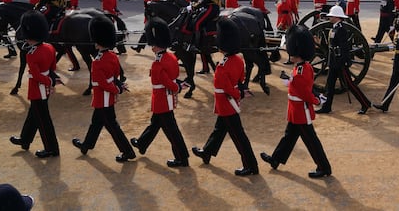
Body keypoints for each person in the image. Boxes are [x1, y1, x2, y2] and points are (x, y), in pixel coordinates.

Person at [260, 24, 332, 178]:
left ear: (296, 51)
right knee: (289, 136)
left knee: (311, 141)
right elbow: (302, 86)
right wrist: (290, 81)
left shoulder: (300, 70)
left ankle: (324, 167)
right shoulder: (303, 66)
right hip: (295, 109)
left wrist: (316, 100)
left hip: (300, 110)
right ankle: (276, 159)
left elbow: (305, 93)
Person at [191, 17, 259, 176]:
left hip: (226, 103)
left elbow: (226, 88)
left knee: (238, 137)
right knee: (219, 129)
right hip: (231, 102)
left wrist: (239, 94)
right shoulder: (238, 60)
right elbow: (241, 80)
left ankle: (251, 166)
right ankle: (207, 152)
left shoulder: (223, 66)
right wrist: (240, 93)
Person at [71, 16, 136, 162]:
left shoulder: (97, 62)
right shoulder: (112, 55)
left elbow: (103, 84)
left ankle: (128, 152)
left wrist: (117, 89)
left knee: (112, 126)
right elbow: (116, 74)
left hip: (103, 97)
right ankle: (86, 145)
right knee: (96, 122)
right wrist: (117, 86)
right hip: (107, 97)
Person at [130, 18, 190, 167]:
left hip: (162, 99)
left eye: (153, 45)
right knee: (155, 123)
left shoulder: (157, 63)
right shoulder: (171, 57)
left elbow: (164, 81)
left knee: (171, 131)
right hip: (167, 97)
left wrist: (177, 87)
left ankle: (182, 157)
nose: (152, 47)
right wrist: (177, 85)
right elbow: (173, 77)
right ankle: (142, 143)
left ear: (157, 45)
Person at [10, 11, 60, 158]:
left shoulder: (31, 54)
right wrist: (51, 81)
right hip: (46, 87)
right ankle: (25, 139)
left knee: (43, 121)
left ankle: (51, 148)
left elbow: (37, 76)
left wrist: (49, 81)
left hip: (37, 89)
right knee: (34, 115)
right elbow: (53, 68)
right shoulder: (50, 47)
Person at [316, 5, 371, 114]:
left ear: (337, 17)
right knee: (329, 86)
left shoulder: (341, 30)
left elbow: (344, 48)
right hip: (333, 62)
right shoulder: (335, 28)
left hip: (340, 63)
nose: (330, 18)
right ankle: (327, 107)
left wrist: (342, 62)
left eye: (331, 16)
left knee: (350, 85)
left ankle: (365, 103)